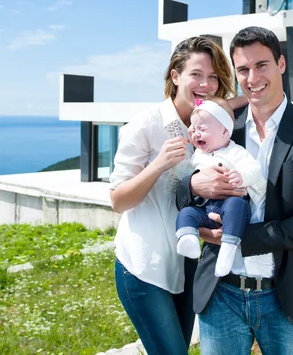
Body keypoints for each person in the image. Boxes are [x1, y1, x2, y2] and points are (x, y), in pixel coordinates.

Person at [176, 26, 293, 355]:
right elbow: (183, 185)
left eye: (261, 65)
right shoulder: (223, 125)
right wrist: (193, 184)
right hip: (220, 294)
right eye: (243, 69)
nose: (252, 78)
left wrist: (243, 237)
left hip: (287, 295)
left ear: (281, 64)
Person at [109, 36, 243, 355]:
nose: (206, 84)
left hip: (186, 263)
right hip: (143, 265)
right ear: (175, 76)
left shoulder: (210, 128)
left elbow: (188, 198)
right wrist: (158, 165)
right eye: (196, 74)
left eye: (214, 77)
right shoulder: (144, 126)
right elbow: (117, 200)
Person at [174, 97, 266, 278]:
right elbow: (184, 179)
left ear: (225, 132)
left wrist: (241, 176)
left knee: (236, 205)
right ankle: (188, 240)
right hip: (204, 209)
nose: (196, 134)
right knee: (186, 214)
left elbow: (254, 168)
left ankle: (228, 249)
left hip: (229, 207)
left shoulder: (235, 152)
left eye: (202, 129)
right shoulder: (197, 155)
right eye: (194, 129)